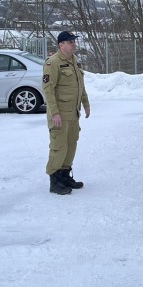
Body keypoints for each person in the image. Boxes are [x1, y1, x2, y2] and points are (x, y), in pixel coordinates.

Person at [42, 31, 91, 195]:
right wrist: (54, 113)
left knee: (71, 145)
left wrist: (86, 104)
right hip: (60, 115)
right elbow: (48, 90)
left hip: (73, 113)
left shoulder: (74, 61)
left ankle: (65, 176)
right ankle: (54, 181)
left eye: (74, 42)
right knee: (58, 147)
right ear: (61, 45)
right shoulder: (53, 63)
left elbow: (80, 86)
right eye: (70, 42)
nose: (73, 45)